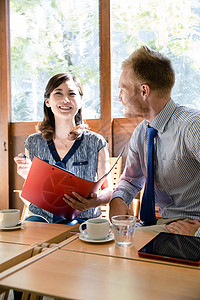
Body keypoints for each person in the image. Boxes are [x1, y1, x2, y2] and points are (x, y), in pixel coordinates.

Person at [109, 46, 200, 237]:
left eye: (122, 90)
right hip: (162, 225)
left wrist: (199, 232)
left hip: (190, 228)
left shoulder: (192, 127)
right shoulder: (142, 133)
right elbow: (130, 180)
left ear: (144, 91)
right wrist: (117, 199)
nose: (119, 98)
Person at [14, 73, 112, 224]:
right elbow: (35, 190)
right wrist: (26, 175)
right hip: (40, 219)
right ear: (47, 101)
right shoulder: (33, 142)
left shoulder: (96, 142)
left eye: (72, 94)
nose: (65, 100)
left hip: (83, 220)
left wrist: (96, 201)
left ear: (80, 101)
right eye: (58, 93)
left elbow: (108, 189)